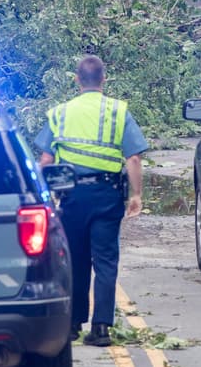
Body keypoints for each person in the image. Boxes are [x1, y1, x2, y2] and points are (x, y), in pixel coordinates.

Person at [36, 56, 147, 347]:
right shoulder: (118, 111)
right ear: (103, 79)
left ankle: (73, 325)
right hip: (107, 195)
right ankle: (101, 328)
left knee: (75, 259)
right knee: (106, 260)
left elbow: (45, 160)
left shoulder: (60, 113)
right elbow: (133, 158)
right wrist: (136, 195)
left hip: (72, 196)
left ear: (76, 80)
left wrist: (39, 194)